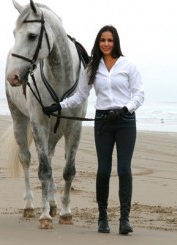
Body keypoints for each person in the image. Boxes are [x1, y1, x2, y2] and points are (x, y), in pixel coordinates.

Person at [43, 25, 144, 235]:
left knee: (124, 169)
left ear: (115, 42)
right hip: (103, 122)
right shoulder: (91, 67)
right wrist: (58, 106)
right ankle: (103, 218)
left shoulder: (128, 65)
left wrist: (126, 108)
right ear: (98, 43)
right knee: (104, 170)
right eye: (102, 40)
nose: (106, 44)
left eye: (110, 40)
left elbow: (139, 94)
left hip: (125, 121)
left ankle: (125, 219)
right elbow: (80, 95)